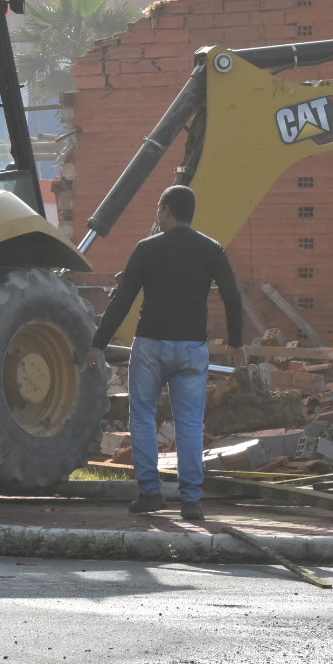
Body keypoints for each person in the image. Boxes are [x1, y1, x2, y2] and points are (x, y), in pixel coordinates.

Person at [88, 184, 243, 521]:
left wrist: (98, 343)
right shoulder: (211, 249)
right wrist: (236, 342)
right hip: (191, 349)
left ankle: (150, 492)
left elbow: (124, 298)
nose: (157, 215)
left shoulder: (147, 249)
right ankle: (191, 501)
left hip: (151, 346)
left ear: (167, 210)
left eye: (159, 209)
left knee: (143, 416)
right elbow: (232, 295)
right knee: (189, 423)